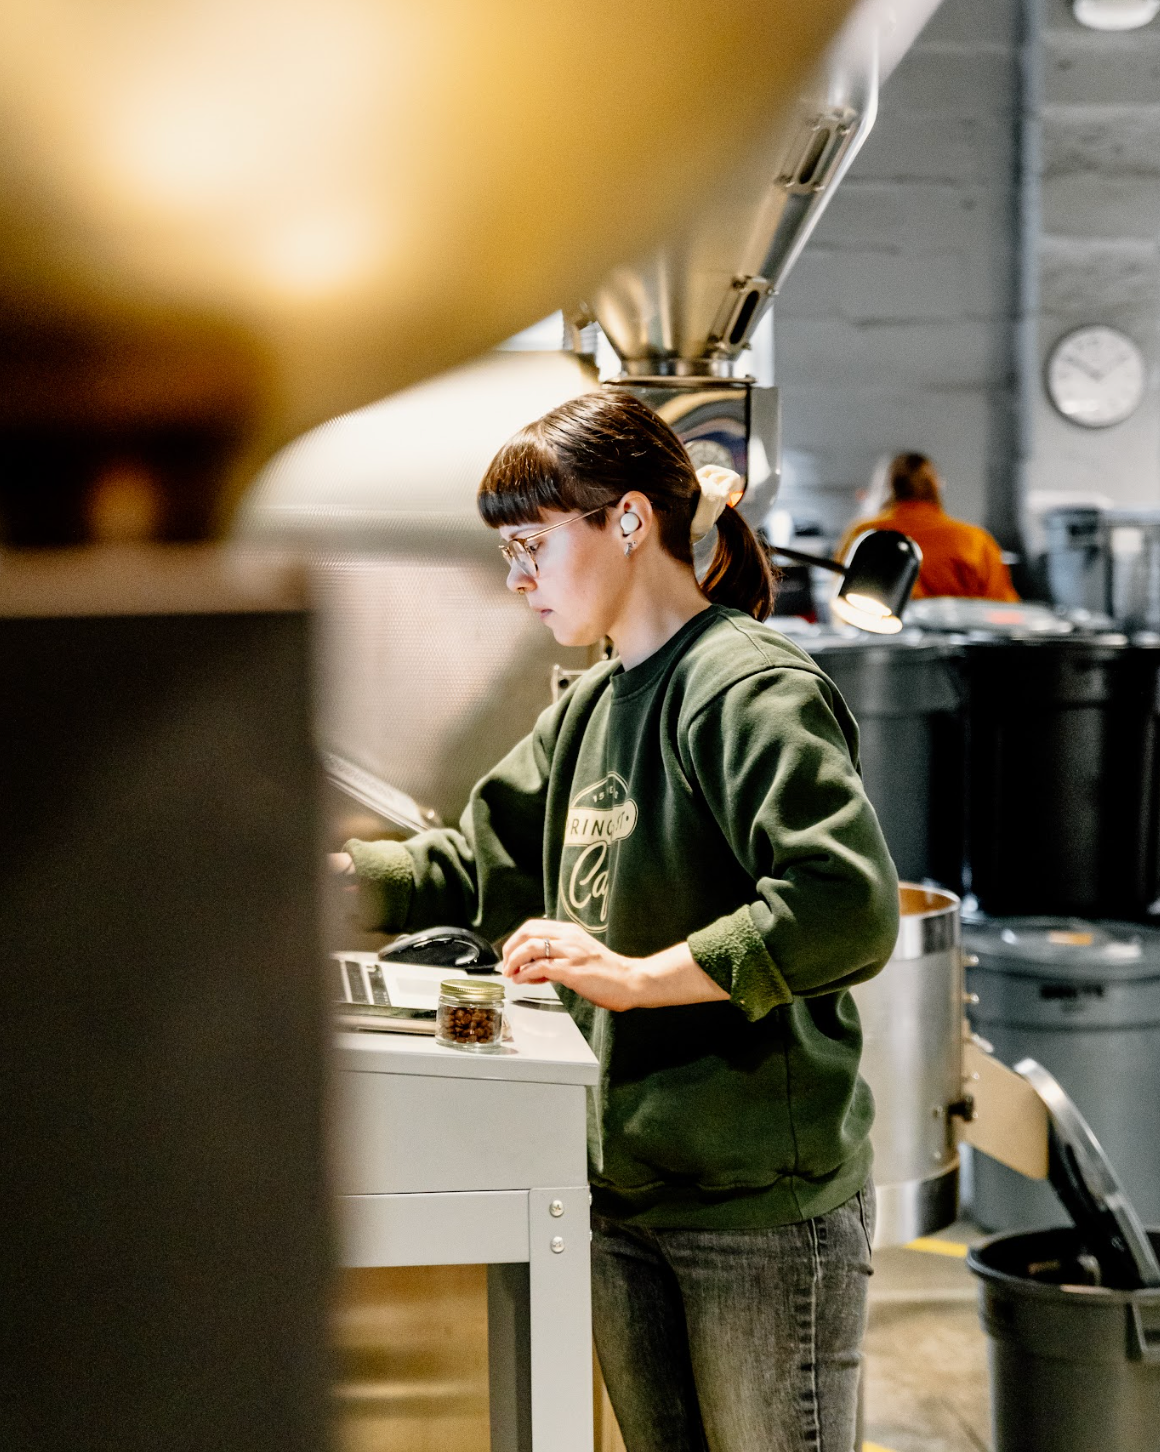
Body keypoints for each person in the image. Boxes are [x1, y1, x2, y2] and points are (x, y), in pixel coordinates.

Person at [338, 390, 899, 1452]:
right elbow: (469, 863)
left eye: (531, 546)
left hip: (757, 1213)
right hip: (623, 1193)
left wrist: (634, 976)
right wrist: (313, 881)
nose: (517, 581)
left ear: (629, 523)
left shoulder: (743, 689)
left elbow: (843, 906)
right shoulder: (591, 707)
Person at [836, 452, 1019, 601]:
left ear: (887, 488)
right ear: (936, 486)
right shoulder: (975, 540)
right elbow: (1003, 608)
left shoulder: (865, 534)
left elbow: (839, 597)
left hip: (882, 641)